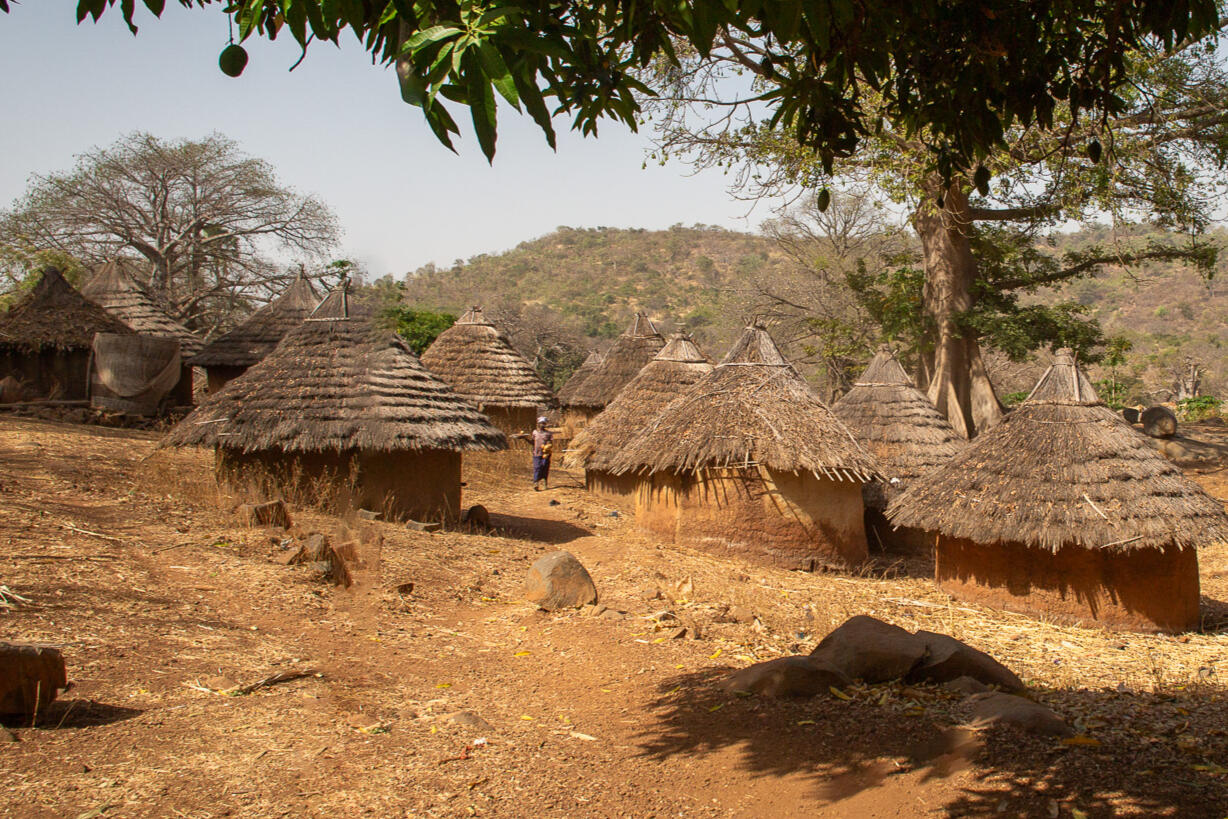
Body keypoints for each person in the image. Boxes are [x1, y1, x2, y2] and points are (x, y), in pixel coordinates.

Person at [516, 416, 554, 490]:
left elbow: (550, 443)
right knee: (537, 467)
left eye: (544, 423)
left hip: (545, 454)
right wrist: (525, 438)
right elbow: (533, 442)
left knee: (545, 467)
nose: (542, 425)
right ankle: (536, 483)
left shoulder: (548, 433)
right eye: (541, 423)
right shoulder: (535, 432)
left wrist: (547, 446)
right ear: (538, 424)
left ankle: (544, 482)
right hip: (536, 453)